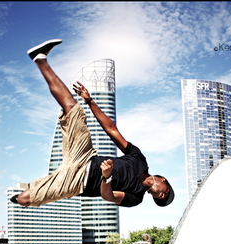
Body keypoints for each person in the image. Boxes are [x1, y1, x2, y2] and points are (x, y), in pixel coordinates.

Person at [10, 39, 174, 210]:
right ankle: (40, 58)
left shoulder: (136, 197)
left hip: (79, 181)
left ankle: (29, 193)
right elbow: (112, 130)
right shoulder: (139, 159)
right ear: (163, 180)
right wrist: (90, 102)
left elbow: (108, 196)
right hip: (85, 155)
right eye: (166, 191)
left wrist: (107, 177)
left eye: (161, 199)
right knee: (74, 109)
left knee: (23, 199)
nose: (162, 196)